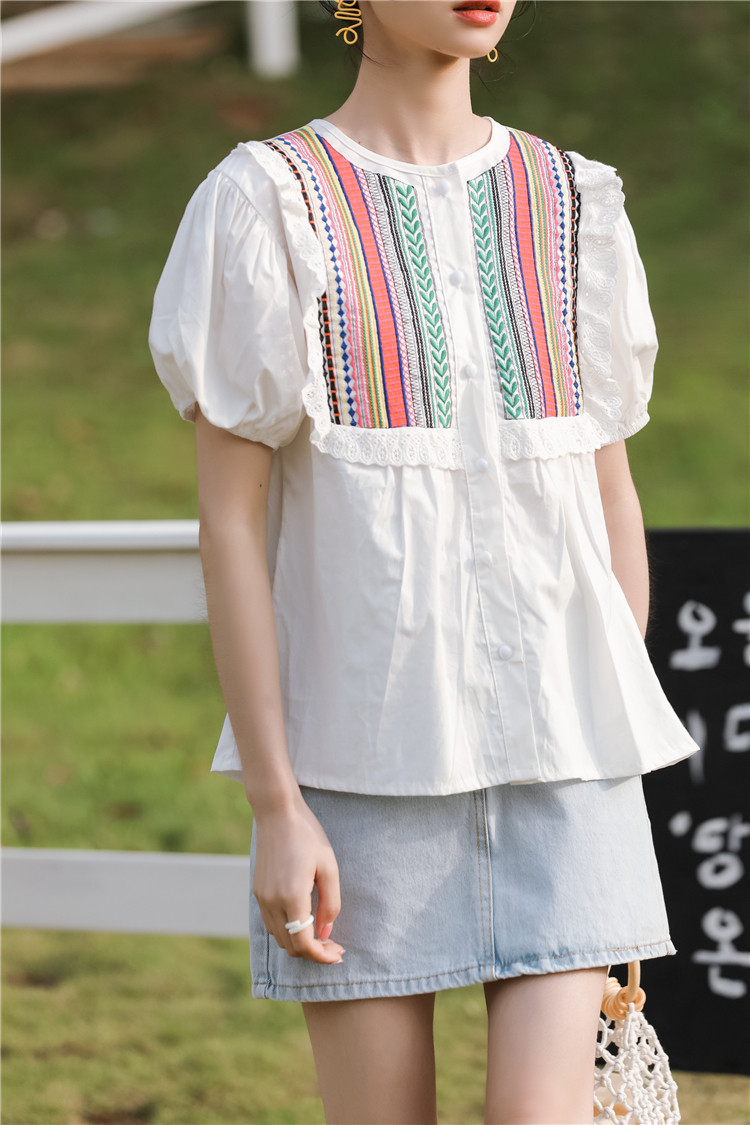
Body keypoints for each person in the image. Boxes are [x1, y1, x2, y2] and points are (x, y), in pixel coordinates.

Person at [148, 2, 700, 1121]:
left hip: (568, 772)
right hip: (360, 774)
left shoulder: (575, 202)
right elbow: (229, 529)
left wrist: (613, 746)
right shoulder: (268, 201)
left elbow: (609, 493)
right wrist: (277, 806)